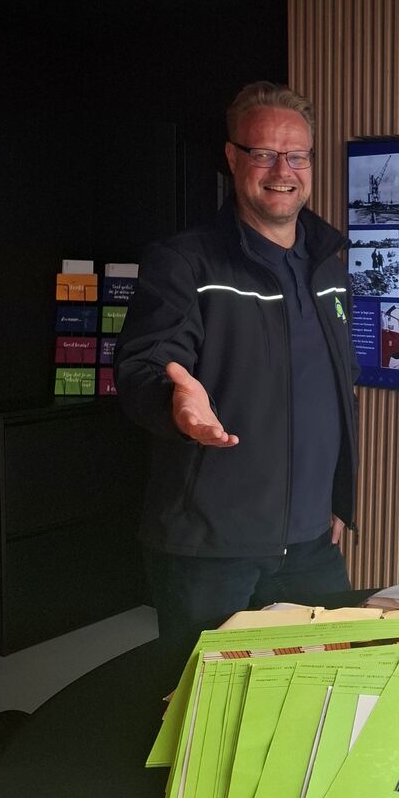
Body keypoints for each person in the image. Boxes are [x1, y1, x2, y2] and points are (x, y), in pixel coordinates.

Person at [116, 81, 359, 656]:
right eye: (264, 153)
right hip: (208, 548)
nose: (283, 170)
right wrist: (177, 405)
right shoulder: (184, 261)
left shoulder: (328, 265)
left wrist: (333, 498)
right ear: (232, 158)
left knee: (334, 687)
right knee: (203, 712)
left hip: (310, 542)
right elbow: (144, 366)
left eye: (296, 155)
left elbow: (330, 390)